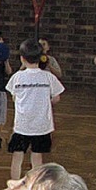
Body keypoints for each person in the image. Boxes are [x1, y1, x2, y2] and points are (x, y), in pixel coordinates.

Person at [6, 39, 65, 180]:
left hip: (22, 126)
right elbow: (57, 98)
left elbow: (14, 97)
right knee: (37, 158)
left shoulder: (17, 77)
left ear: (22, 58)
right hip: (42, 127)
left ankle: (14, 184)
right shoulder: (48, 77)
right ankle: (35, 186)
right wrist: (44, 102)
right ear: (41, 57)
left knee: (17, 158)